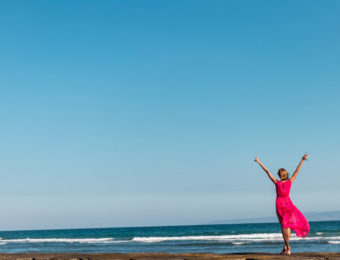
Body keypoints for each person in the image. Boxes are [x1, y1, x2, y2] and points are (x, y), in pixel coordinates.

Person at [254, 154, 310, 255]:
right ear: (285, 175)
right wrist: (302, 160)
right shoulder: (290, 182)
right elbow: (297, 171)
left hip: (279, 205)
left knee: (283, 226)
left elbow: (267, 172)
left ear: (280, 175)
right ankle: (285, 247)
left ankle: (288, 247)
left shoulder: (276, 182)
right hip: (288, 204)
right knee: (286, 226)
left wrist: (258, 162)